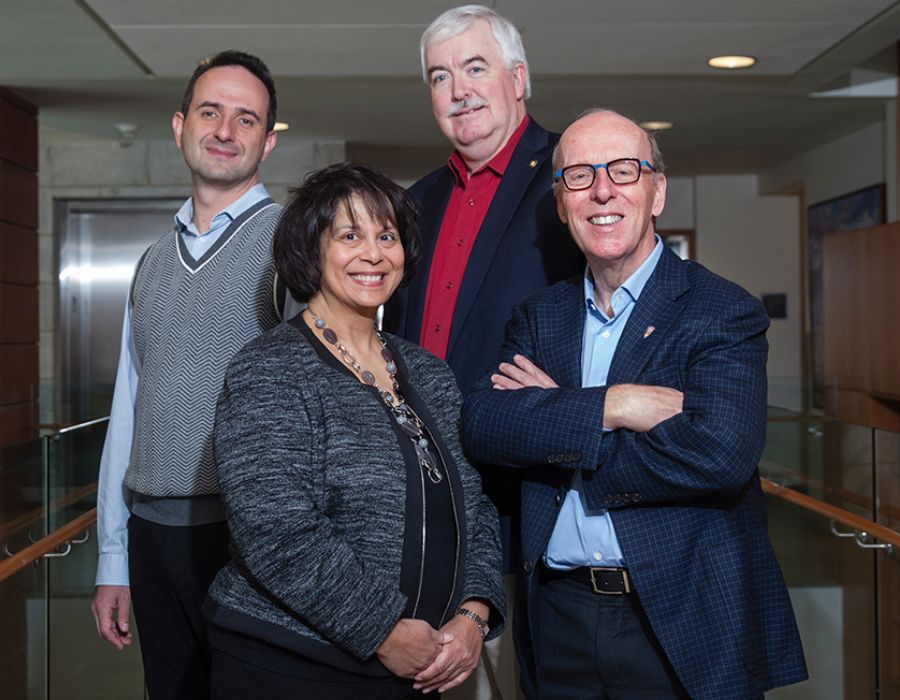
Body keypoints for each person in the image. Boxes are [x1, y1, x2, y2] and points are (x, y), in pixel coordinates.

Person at [462, 109, 808, 699]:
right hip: (557, 618)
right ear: (562, 202)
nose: (602, 190)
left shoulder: (720, 311)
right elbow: (486, 426)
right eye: (579, 176)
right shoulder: (540, 316)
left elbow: (719, 455)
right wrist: (614, 404)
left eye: (623, 170)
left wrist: (557, 422)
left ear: (657, 192)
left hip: (679, 615)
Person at [203, 162, 505, 699]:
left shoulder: (430, 373)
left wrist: (473, 615)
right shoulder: (269, 370)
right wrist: (383, 630)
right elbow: (276, 529)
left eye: (386, 236)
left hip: (423, 666)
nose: (373, 253)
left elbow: (474, 504)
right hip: (292, 665)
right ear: (310, 251)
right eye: (350, 235)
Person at [383, 7, 582, 696]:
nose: (459, 89)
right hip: (426, 485)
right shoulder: (418, 201)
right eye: (441, 76)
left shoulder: (567, 176)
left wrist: (573, 392)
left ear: (517, 79)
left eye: (476, 68)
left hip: (532, 485)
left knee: (538, 678)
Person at [90, 50, 282, 699]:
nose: (225, 130)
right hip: (150, 539)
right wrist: (112, 558)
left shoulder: (293, 248)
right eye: (210, 112)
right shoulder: (149, 264)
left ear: (267, 141)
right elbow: (129, 410)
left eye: (246, 118)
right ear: (180, 127)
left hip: (246, 537)